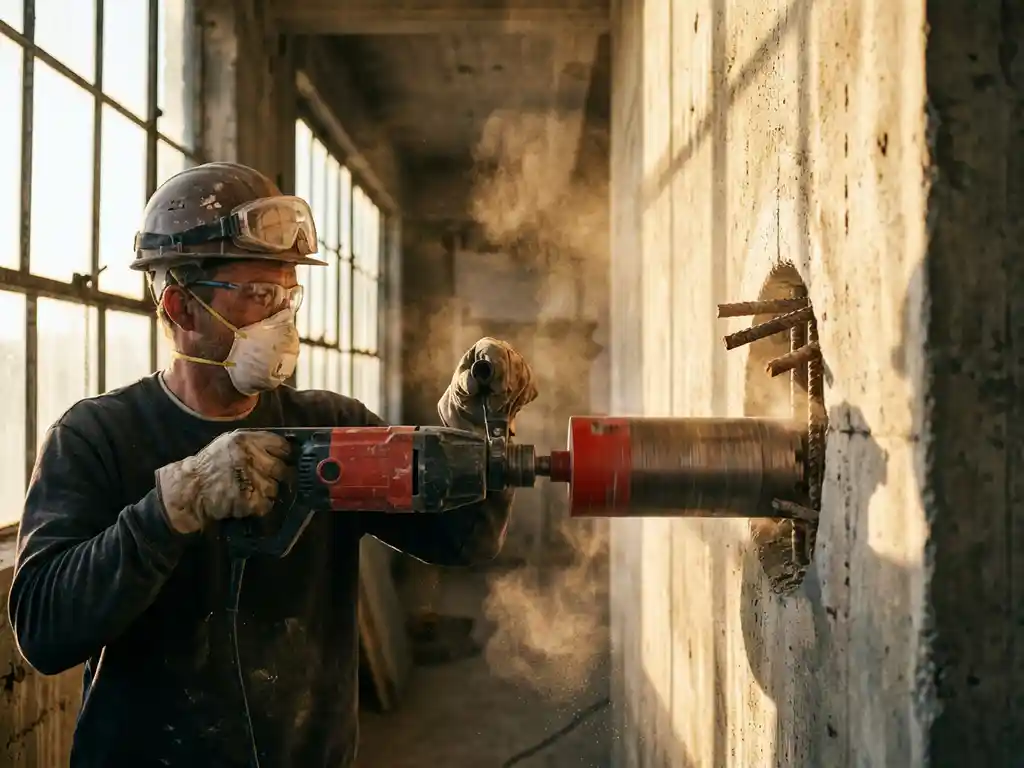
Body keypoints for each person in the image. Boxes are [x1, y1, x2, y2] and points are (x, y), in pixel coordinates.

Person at [7, 162, 538, 768]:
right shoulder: (96, 437)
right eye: (259, 295)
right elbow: (43, 631)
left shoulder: (332, 427)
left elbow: (463, 539)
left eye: (289, 296)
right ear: (181, 307)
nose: (282, 320)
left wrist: (475, 429)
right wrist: (171, 508)